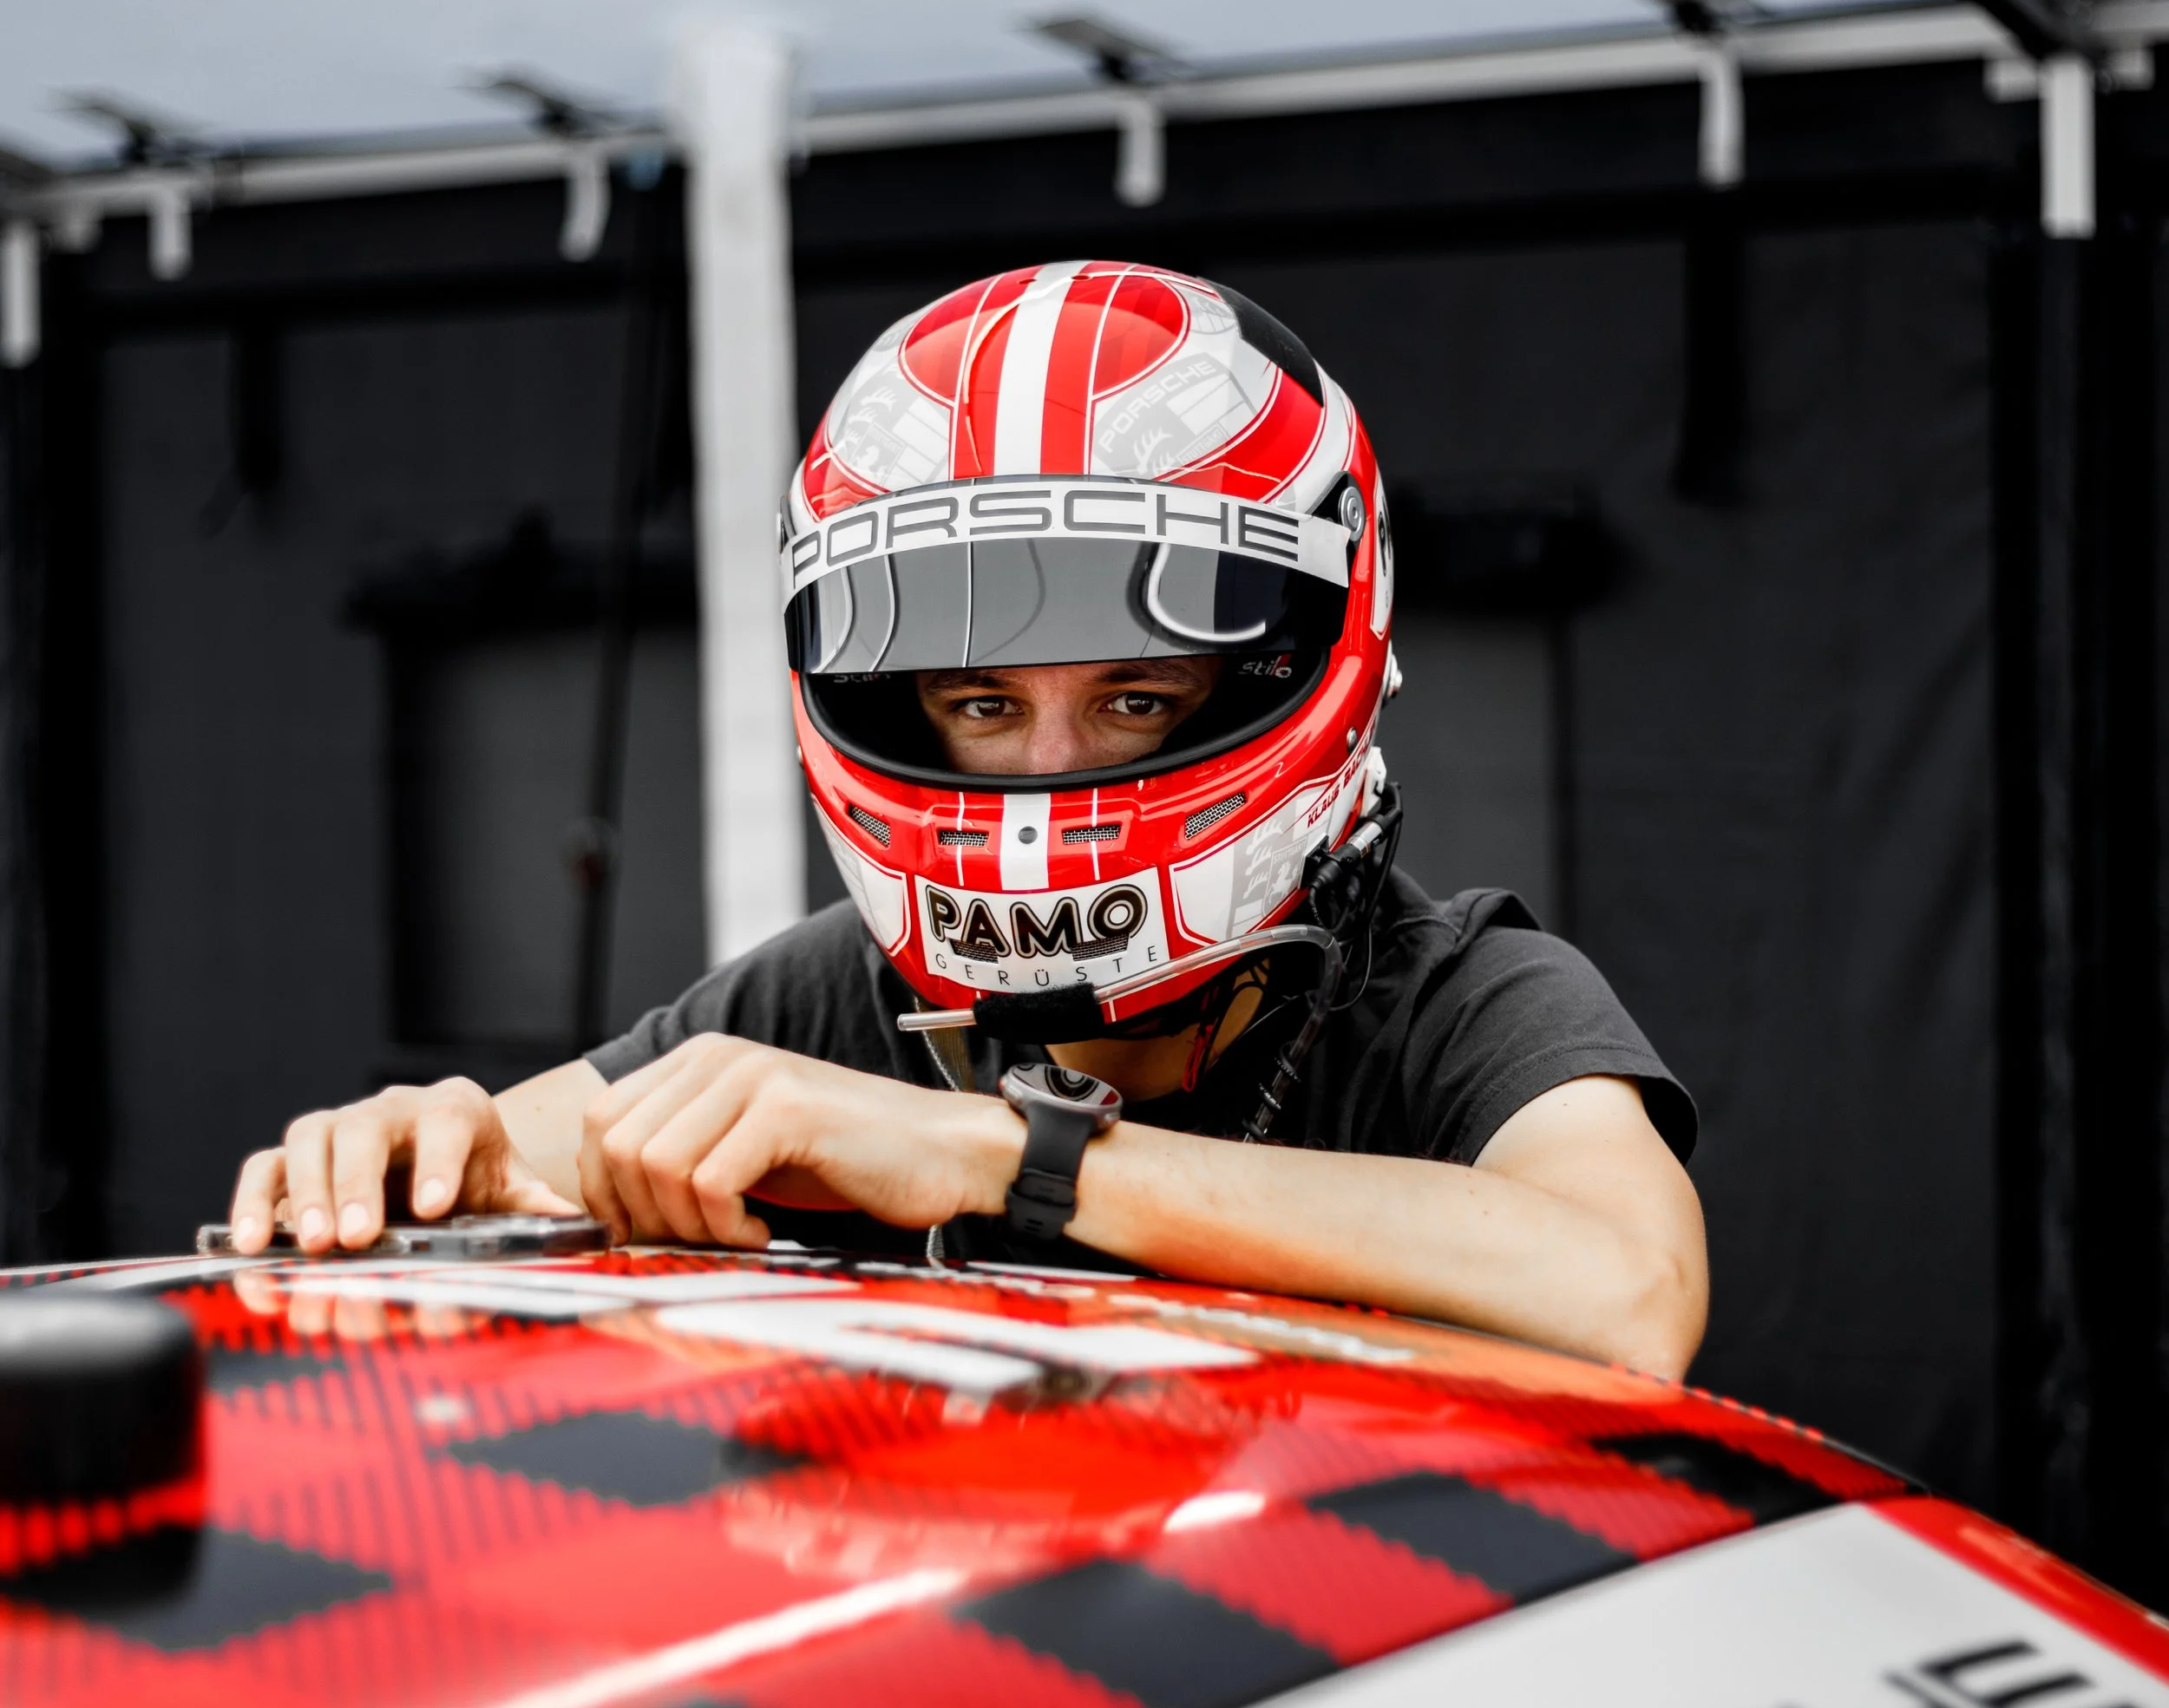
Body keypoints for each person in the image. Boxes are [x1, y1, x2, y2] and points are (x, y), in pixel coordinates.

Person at [226, 262, 1707, 1376]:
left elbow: (1630, 1293)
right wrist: (416, 1156)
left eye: (1136, 698)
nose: (1048, 774)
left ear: (1300, 668)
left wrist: (1003, 1155)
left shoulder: (1459, 995)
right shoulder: (828, 997)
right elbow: (494, 1160)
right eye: (982, 706)